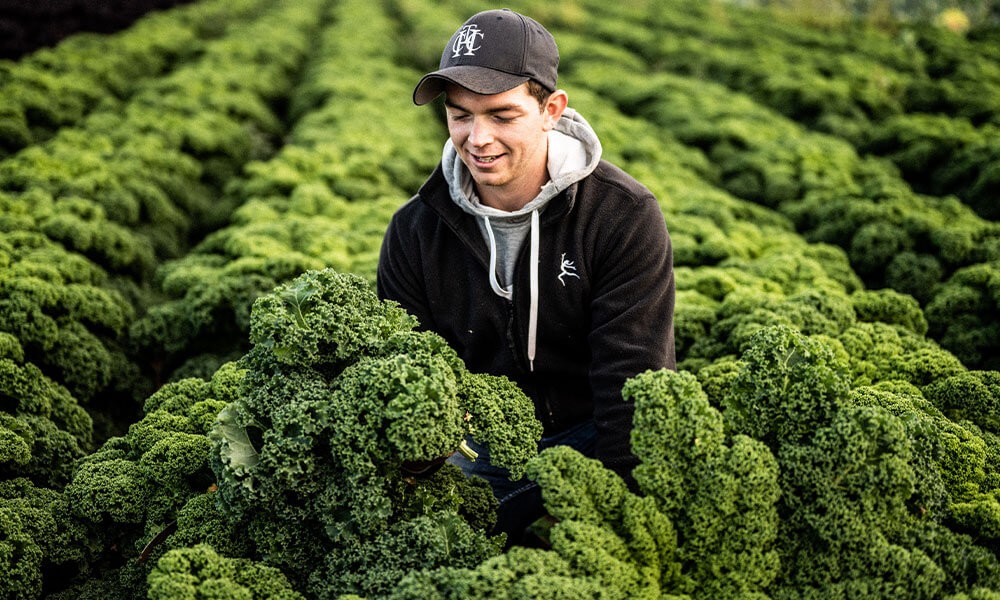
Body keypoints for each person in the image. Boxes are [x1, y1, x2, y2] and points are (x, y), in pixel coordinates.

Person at [376, 8, 675, 545]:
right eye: (460, 114)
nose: (477, 138)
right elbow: (406, 375)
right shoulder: (414, 230)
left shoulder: (622, 216)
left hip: (591, 428)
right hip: (479, 440)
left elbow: (630, 383)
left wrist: (612, 516)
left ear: (550, 110)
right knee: (413, 537)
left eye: (502, 115)